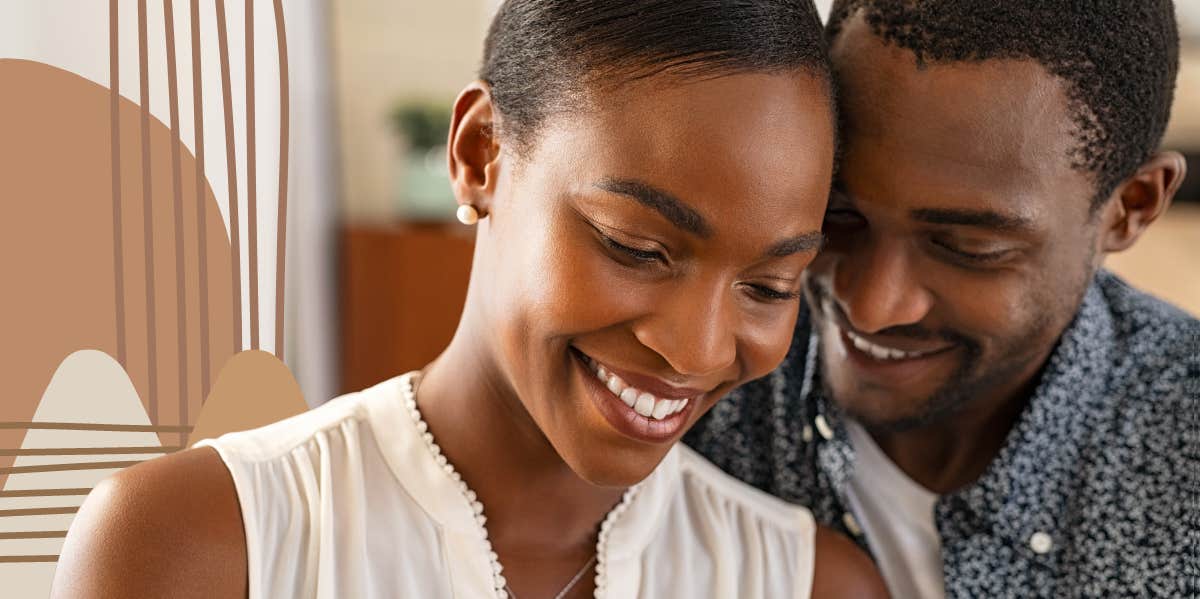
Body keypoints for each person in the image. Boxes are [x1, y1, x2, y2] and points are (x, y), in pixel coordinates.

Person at [52, 1, 888, 598]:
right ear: (481, 154)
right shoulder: (195, 547)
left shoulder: (810, 583)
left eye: (767, 286)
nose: (700, 350)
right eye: (637, 247)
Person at [687, 1, 1198, 597]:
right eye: (839, 211)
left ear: (1130, 208)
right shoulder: (690, 380)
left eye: (968, 247)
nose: (871, 305)